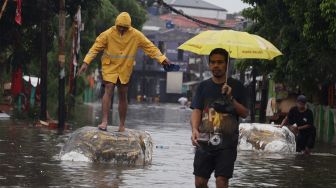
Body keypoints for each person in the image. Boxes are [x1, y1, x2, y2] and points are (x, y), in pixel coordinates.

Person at [77, 12, 171, 132]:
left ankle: (122, 125)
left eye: (124, 28)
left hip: (124, 69)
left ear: (129, 27)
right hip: (109, 67)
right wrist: (86, 63)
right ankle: (104, 121)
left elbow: (150, 48)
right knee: (109, 88)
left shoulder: (136, 35)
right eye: (119, 27)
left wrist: (162, 59)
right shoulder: (107, 34)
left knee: (123, 94)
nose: (121, 29)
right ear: (116, 25)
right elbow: (94, 48)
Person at [190, 48, 248, 188]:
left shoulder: (238, 86)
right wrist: (194, 130)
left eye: (220, 62)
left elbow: (245, 113)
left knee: (221, 182)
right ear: (209, 65)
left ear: (227, 64)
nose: (216, 65)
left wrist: (231, 98)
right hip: (204, 141)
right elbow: (196, 110)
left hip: (228, 144)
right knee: (200, 182)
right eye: (213, 62)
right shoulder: (203, 86)